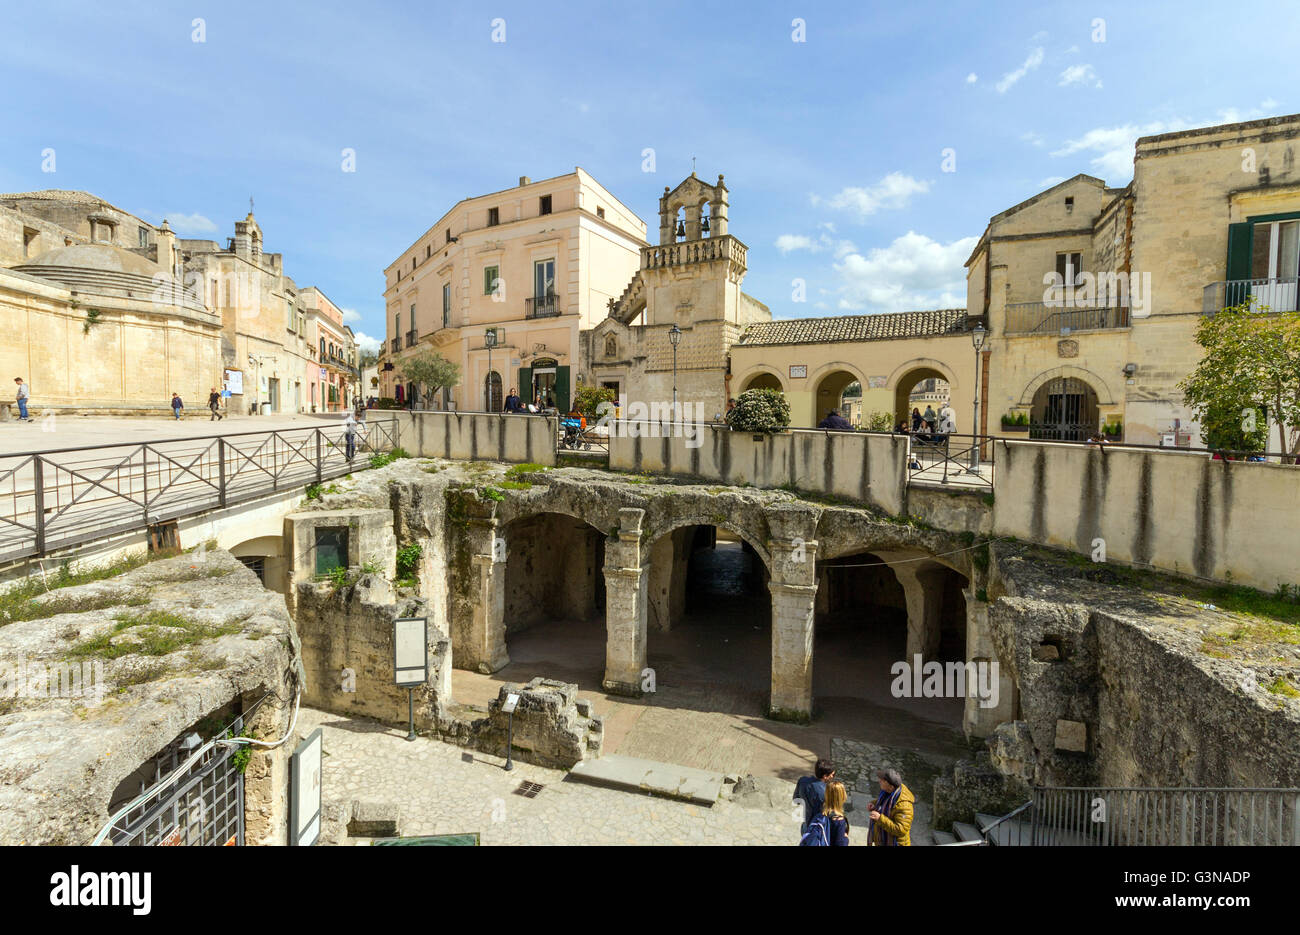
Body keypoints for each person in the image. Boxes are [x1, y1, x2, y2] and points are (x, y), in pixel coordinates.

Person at [867, 767, 914, 846]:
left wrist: (880, 818)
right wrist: (874, 804)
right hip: (882, 840)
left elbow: (900, 830)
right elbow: (885, 802)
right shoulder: (888, 791)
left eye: (883, 780)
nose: (879, 781)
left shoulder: (904, 806)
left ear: (891, 786)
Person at [794, 758, 834, 835]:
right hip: (818, 829)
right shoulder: (827, 793)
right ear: (825, 776)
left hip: (806, 824)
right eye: (832, 774)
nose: (833, 777)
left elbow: (796, 800)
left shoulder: (802, 781)